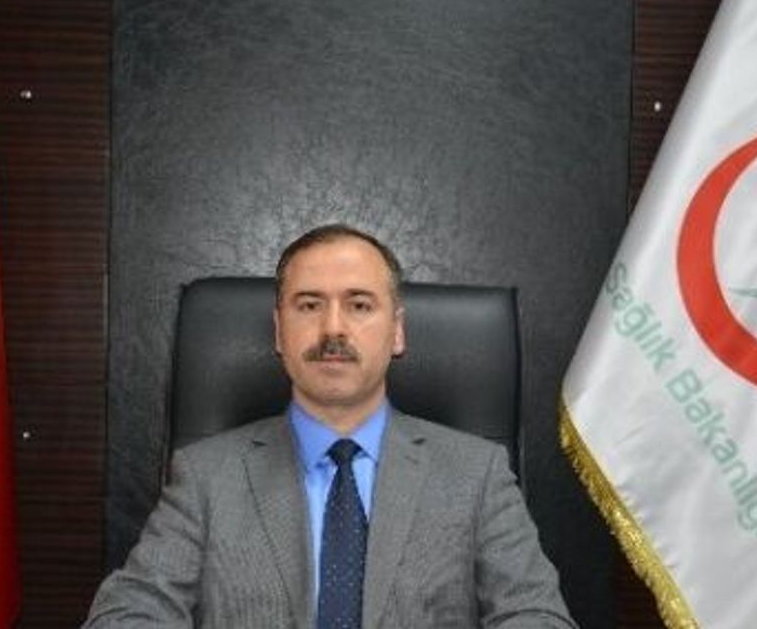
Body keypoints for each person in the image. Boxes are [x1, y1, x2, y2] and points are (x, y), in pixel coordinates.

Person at [83, 224, 576, 628]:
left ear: (397, 331)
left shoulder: (477, 474)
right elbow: (128, 614)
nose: (333, 328)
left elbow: (536, 616)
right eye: (309, 305)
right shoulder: (205, 477)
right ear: (280, 332)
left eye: (359, 305)